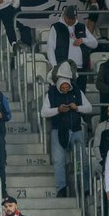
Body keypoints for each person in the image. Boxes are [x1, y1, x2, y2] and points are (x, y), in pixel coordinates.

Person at [42, 63, 94, 197]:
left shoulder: (77, 91)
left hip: (76, 129)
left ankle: (85, 188)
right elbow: (44, 112)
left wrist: (77, 108)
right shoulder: (51, 93)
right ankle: (61, 188)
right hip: (58, 130)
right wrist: (58, 110)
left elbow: (89, 108)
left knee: (81, 160)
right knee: (59, 160)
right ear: (59, 85)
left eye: (67, 86)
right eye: (63, 87)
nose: (65, 89)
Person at [45, 6, 97, 91]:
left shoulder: (81, 26)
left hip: (81, 69)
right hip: (64, 69)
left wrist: (83, 40)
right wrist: (55, 66)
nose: (71, 21)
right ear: (64, 16)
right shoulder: (56, 27)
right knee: (65, 93)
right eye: (69, 18)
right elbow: (50, 47)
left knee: (80, 94)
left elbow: (94, 43)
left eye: (73, 18)